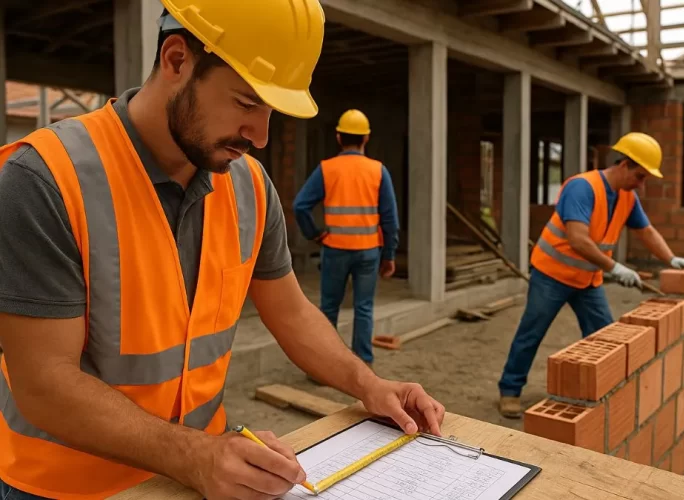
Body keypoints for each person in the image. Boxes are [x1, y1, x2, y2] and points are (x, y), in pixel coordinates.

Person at [0, 3, 443, 500]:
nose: (260, 135)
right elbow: (43, 383)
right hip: (65, 487)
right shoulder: (45, 179)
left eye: (270, 111)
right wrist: (196, 455)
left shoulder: (249, 187)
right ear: (175, 60)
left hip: (195, 479)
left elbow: (293, 313)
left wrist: (369, 385)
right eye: (246, 103)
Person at [496, 132, 684, 418]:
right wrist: (616, 268)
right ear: (624, 165)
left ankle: (605, 390)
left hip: (587, 280)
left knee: (605, 336)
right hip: (552, 275)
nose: (642, 185)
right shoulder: (582, 188)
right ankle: (510, 391)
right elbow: (578, 239)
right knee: (531, 332)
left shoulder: (626, 197)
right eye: (641, 176)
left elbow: (646, 231)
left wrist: (670, 258)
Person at [292, 109, 400, 367]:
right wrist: (389, 256)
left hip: (335, 250)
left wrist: (315, 234)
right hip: (367, 252)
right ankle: (362, 366)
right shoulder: (378, 171)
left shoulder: (326, 169)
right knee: (363, 309)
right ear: (365, 139)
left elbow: (300, 206)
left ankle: (324, 366)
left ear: (339, 138)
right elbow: (390, 220)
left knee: (329, 308)